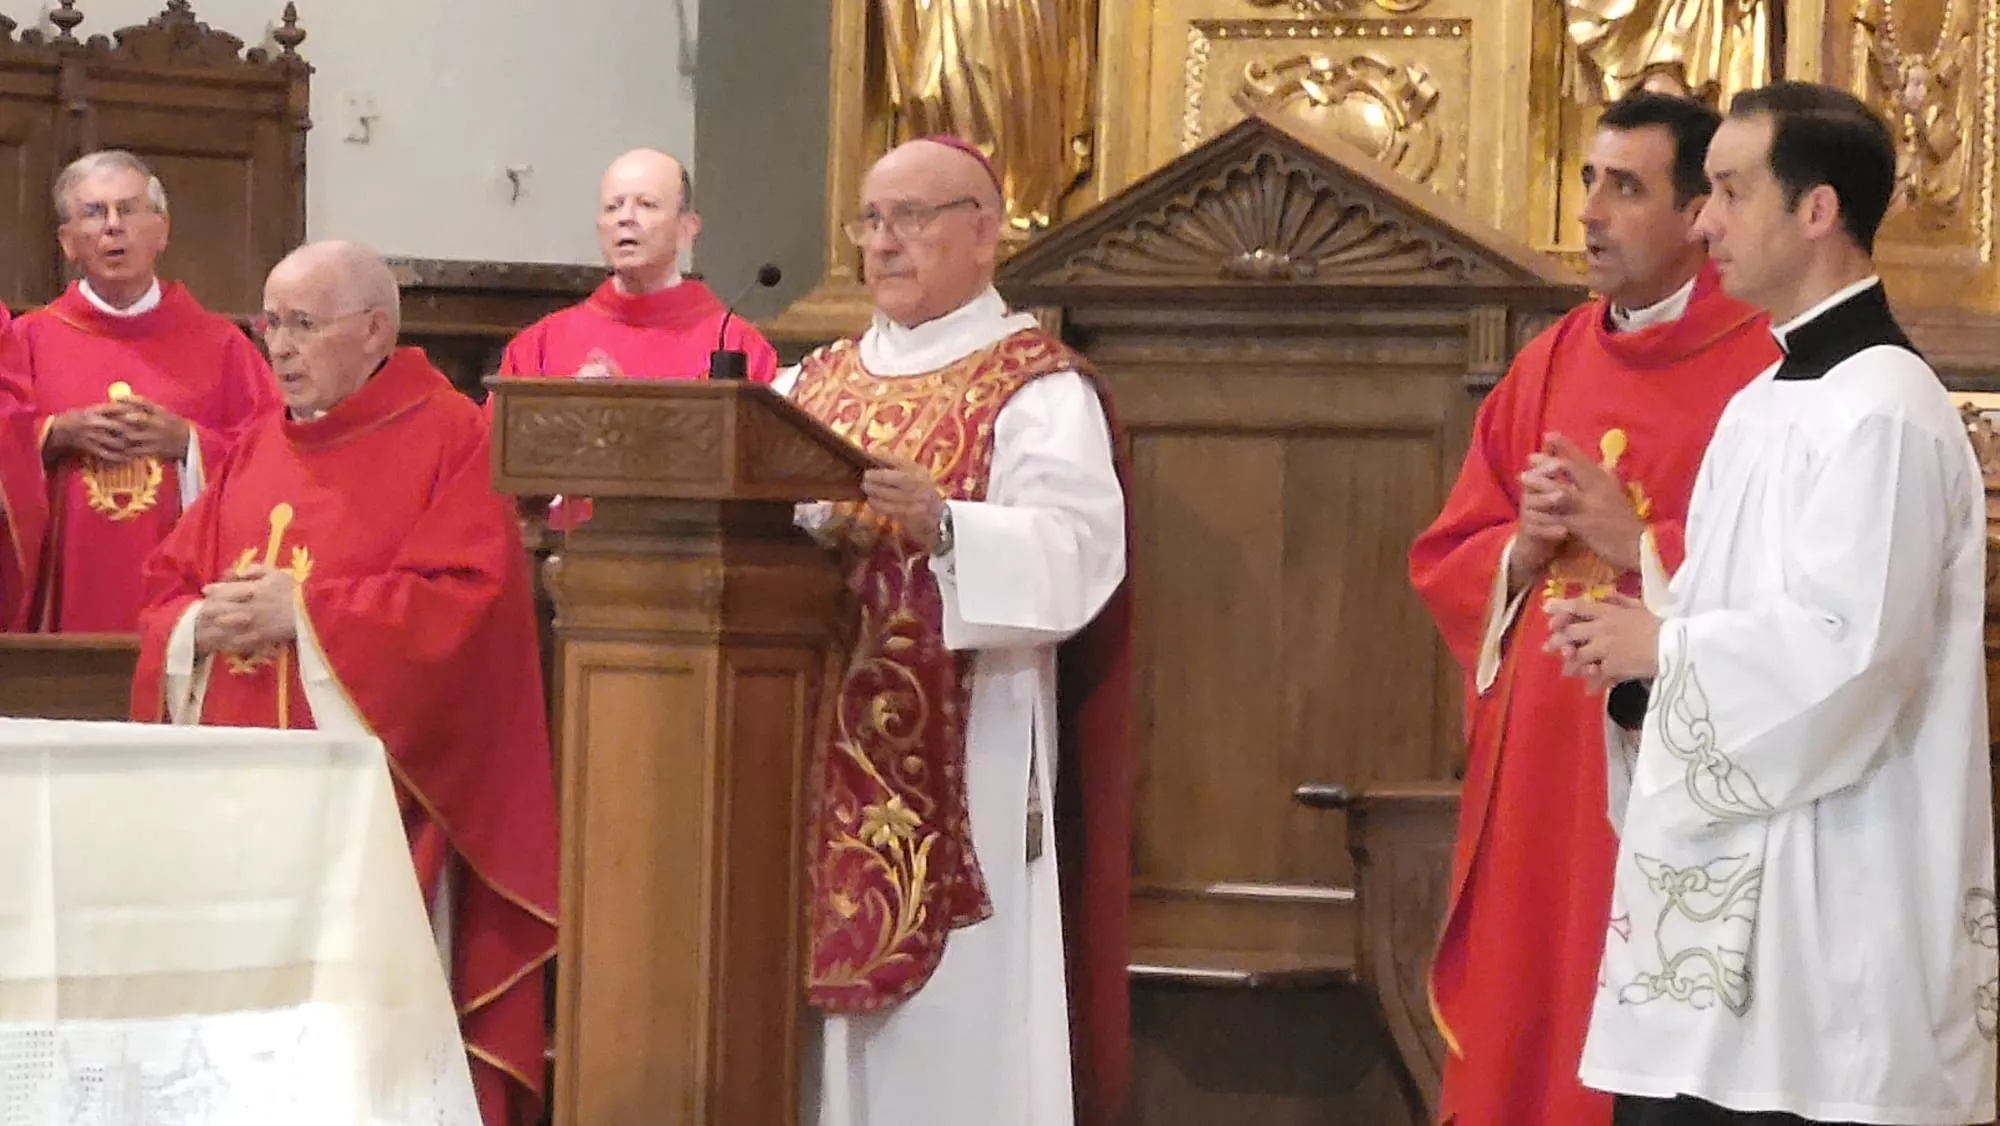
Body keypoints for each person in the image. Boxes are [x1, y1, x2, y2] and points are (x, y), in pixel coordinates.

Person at [1547, 81, 1997, 1126]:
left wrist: (1664, 647)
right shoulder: (1762, 404)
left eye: (1728, 192)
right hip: (1719, 938)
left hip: (1828, 932)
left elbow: (1851, 663)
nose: (1702, 222)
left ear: (1816, 210)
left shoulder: (1882, 407)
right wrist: (1632, 667)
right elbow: (1723, 611)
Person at [1408, 89, 1781, 1126]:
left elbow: (1798, 597)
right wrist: (1521, 549)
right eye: (1587, 181)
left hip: (1659, 778)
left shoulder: (1763, 365)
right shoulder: (1551, 358)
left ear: (1695, 210)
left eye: (1625, 189)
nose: (1589, 212)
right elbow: (1449, 553)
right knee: (1529, 1021)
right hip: (1537, 784)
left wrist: (1639, 546)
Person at [128, 240, 560, 1126]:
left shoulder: (455, 438)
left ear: (372, 331)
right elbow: (165, 590)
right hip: (241, 824)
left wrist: (309, 614)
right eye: (269, 324)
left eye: (302, 325)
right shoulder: (254, 449)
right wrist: (191, 628)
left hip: (383, 823)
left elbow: (467, 609)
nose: (278, 347)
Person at [776, 135, 1132, 1126]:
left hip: (955, 766)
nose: (883, 243)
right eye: (869, 222)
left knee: (952, 1044)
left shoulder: (1033, 385)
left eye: (910, 219)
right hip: (805, 754)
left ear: (983, 232)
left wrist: (943, 526)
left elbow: (1076, 556)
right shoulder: (810, 384)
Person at [0, 150, 276, 632]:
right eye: (93, 213)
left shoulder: (223, 346)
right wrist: (54, 434)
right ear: (67, 242)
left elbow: (274, 456)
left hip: (185, 606)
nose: (112, 227)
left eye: (128, 209)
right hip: (62, 603)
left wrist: (188, 443)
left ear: (161, 231)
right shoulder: (26, 341)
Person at [498, 148, 779, 529]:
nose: (625, 219)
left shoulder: (737, 345)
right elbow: (494, 472)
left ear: (688, 227)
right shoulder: (541, 343)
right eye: (613, 207)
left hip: (689, 562)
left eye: (646, 205)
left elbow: (759, 476)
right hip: (559, 564)